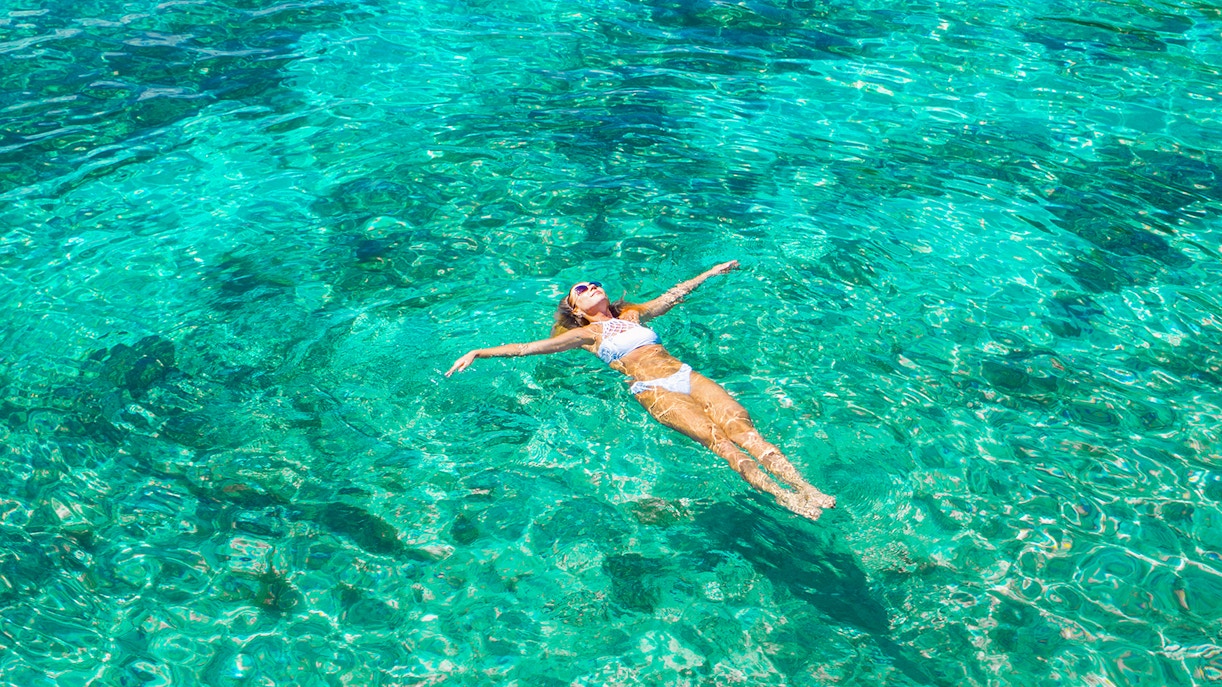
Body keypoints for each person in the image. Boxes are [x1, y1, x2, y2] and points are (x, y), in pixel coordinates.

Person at [445, 260, 836, 520]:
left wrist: (712, 273)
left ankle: (806, 487)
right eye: (581, 288)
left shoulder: (633, 313)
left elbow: (673, 295)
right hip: (653, 389)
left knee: (746, 430)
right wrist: (479, 351)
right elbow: (528, 348)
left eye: (595, 283)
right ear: (576, 308)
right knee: (722, 443)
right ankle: (786, 498)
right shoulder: (585, 334)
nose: (592, 286)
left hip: (686, 374)